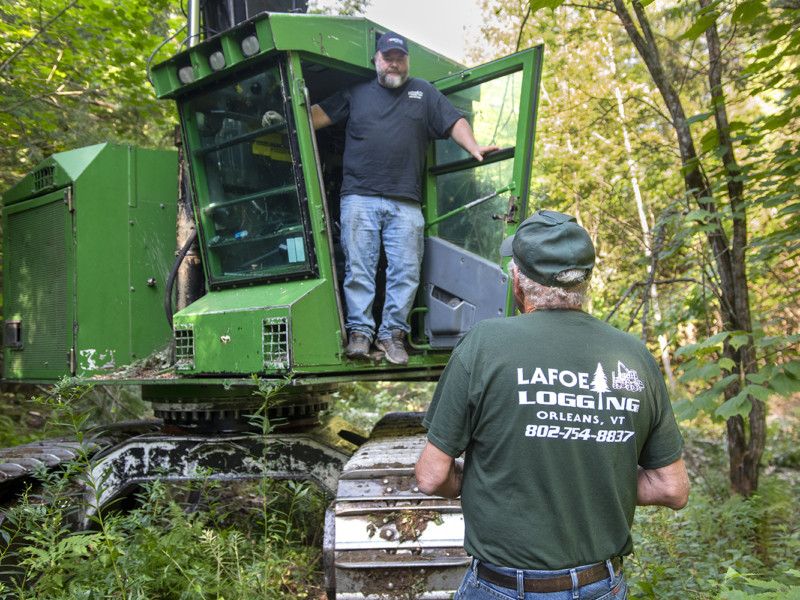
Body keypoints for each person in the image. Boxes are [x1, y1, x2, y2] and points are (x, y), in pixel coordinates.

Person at [414, 210, 689, 599]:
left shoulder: (485, 344)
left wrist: (484, 481)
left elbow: (431, 476)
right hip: (603, 587)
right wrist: (596, 482)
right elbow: (671, 488)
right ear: (585, 281)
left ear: (518, 282)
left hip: (505, 589)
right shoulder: (633, 355)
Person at [311, 32, 499, 365]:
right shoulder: (355, 93)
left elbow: (454, 120)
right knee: (359, 270)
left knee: (406, 272)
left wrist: (472, 146)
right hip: (359, 198)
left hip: (405, 203)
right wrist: (280, 120)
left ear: (407, 60)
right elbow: (313, 117)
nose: (393, 63)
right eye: (388, 57)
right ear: (376, 60)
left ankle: (391, 336)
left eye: (399, 57)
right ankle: (360, 333)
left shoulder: (423, 92)